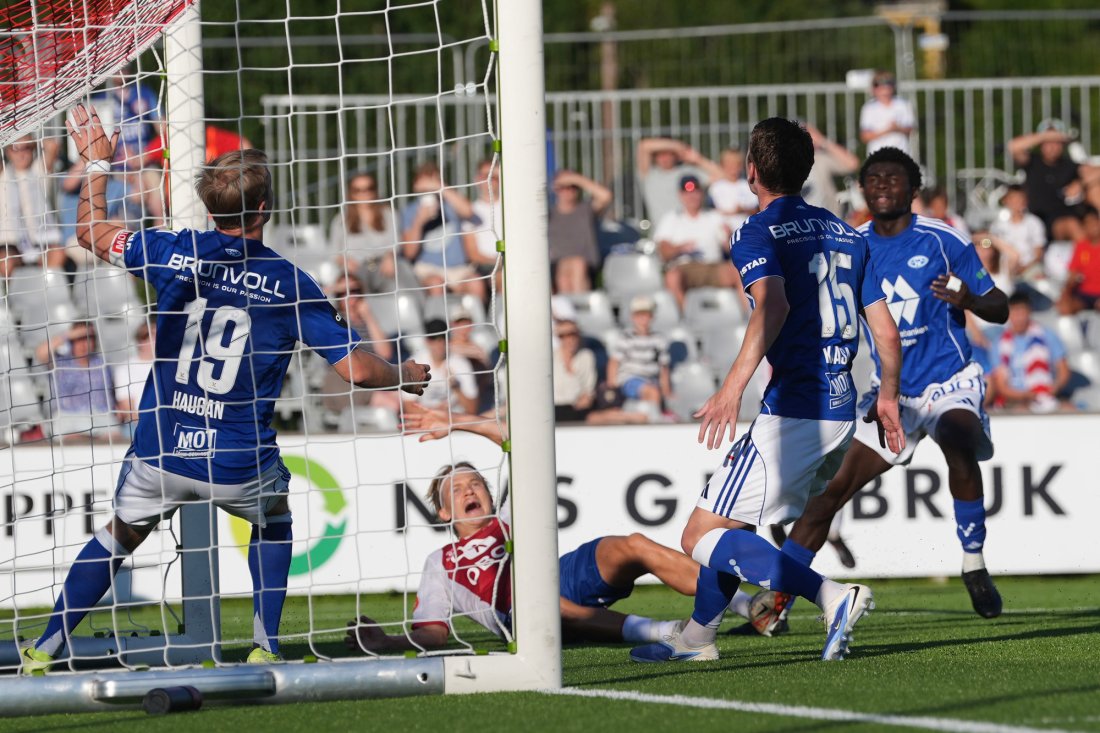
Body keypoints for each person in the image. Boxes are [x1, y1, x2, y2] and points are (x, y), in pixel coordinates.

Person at [20, 104, 431, 674]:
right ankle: (266, 640)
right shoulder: (289, 280)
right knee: (275, 518)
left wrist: (96, 165)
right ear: (264, 208)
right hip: (238, 461)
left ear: (210, 208)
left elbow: (89, 231)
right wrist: (405, 375)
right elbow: (357, 371)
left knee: (117, 535)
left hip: (162, 448)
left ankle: (45, 647)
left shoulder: (172, 250)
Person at [629, 118, 905, 664]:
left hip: (796, 407)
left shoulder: (756, 231)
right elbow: (886, 332)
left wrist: (731, 388)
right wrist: (889, 395)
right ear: (805, 172)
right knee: (731, 524)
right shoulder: (849, 234)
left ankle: (832, 595)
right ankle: (697, 638)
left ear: (752, 172)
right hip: (841, 405)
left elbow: (773, 305)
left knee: (698, 536)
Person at [777, 146, 1009, 624]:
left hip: (948, 382)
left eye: (893, 178)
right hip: (890, 393)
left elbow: (999, 306)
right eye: (874, 178)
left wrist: (968, 298)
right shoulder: (851, 244)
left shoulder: (944, 240)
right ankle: (773, 603)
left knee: (960, 439)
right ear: (862, 189)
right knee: (828, 495)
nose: (882, 185)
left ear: (914, 190)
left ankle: (973, 563)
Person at [345, 461, 700, 651]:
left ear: (489, 493)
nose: (469, 490)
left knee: (632, 543)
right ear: (443, 513)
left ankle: (745, 602)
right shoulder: (440, 562)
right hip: (518, 615)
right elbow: (433, 635)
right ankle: (670, 632)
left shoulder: (508, 519)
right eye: (456, 489)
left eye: (476, 484)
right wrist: (387, 642)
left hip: (559, 576)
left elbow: (530, 448)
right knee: (541, 602)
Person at [654, 174, 738, 308]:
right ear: (680, 195)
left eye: (695, 192)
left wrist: (730, 238)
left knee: (739, 272)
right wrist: (679, 248)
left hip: (712, 266)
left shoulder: (714, 217)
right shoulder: (671, 219)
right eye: (687, 193)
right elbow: (663, 252)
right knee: (672, 277)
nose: (692, 197)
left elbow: (730, 249)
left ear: (701, 194)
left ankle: (750, 319)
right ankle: (687, 320)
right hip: (685, 268)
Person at [400, 161, 481, 300]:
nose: (431, 186)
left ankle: (478, 321)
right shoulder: (410, 211)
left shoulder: (450, 204)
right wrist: (419, 222)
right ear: (416, 185)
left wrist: (440, 187)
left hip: (459, 269)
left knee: (476, 283)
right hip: (429, 270)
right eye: (426, 180)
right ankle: (439, 321)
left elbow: (468, 212)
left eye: (434, 179)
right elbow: (409, 252)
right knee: (436, 285)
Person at [329, 172, 414, 294]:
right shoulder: (340, 221)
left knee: (404, 287)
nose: (364, 194)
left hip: (385, 268)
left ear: (375, 190)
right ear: (351, 194)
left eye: (369, 188)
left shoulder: (389, 215)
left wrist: (389, 257)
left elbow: (396, 243)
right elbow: (334, 252)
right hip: (356, 270)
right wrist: (344, 261)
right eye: (358, 190)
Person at [1008, 119, 1091, 242]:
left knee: (1095, 191)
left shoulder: (1069, 165)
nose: (1052, 146)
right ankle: (1090, 258)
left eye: (1056, 142)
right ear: (1041, 144)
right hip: (1043, 220)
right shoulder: (1032, 162)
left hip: (1070, 213)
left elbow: (1094, 171)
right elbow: (1012, 146)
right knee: (1072, 225)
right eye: (1047, 142)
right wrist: (1046, 135)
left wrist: (1081, 183)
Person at [35, 321, 118, 440]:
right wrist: (69, 335)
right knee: (74, 444)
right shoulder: (60, 363)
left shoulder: (102, 363)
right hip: (69, 417)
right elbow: (40, 353)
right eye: (79, 338)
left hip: (102, 416)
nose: (84, 343)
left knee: (117, 440)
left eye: (88, 338)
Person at [991, 291, 1071, 412]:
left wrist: (1055, 387)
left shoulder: (1046, 335)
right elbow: (1001, 386)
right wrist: (1025, 395)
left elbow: (1063, 369)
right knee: (1021, 411)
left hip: (1046, 396)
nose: (1019, 318)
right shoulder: (999, 343)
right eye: (1015, 312)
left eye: (1022, 312)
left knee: (1069, 410)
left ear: (1029, 312)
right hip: (1015, 401)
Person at [0, 134, 65, 268]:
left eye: (27, 147)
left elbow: (52, 146)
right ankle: (13, 289)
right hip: (11, 244)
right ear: (7, 151)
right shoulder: (3, 174)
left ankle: (46, 287)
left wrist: (33, 134)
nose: (21, 153)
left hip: (41, 240)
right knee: (6, 262)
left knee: (58, 253)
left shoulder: (39, 170)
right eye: (15, 148)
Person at [548, 169, 611, 293]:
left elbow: (605, 196)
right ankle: (568, 307)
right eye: (563, 187)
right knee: (564, 275)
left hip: (586, 267)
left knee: (577, 264)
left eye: (573, 187)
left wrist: (577, 179)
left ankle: (575, 306)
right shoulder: (550, 213)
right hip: (557, 267)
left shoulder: (586, 210)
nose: (569, 191)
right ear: (556, 189)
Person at [606, 296, 671, 414]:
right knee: (652, 393)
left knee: (655, 392)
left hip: (651, 380)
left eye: (646, 314)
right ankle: (654, 423)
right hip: (630, 380)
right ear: (633, 317)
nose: (643, 318)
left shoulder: (659, 339)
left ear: (652, 316)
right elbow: (614, 362)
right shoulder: (626, 338)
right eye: (639, 315)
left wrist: (666, 390)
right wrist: (612, 386)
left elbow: (663, 367)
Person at [635, 137, 723, 224]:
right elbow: (644, 146)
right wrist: (678, 146)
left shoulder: (688, 172)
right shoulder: (649, 175)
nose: (664, 158)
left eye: (669, 154)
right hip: (662, 235)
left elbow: (722, 177)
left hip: (690, 230)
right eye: (660, 154)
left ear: (676, 156)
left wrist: (698, 160)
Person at [409, 318, 479, 415]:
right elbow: (408, 406)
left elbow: (472, 409)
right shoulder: (415, 364)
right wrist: (436, 413)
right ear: (427, 341)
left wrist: (456, 388)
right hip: (426, 419)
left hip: (455, 419)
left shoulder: (461, 363)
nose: (440, 344)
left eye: (443, 338)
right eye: (434, 339)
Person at [989, 185, 1046, 282]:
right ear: (1005, 201)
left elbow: (1039, 253)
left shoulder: (1034, 222)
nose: (1016, 202)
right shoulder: (996, 225)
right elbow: (990, 247)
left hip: (1029, 269)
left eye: (1020, 198)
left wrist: (1024, 268)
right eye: (1013, 198)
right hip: (1004, 269)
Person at [801, 123, 860, 217]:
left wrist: (822, 141)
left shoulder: (819, 159)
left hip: (829, 220)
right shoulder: (782, 164)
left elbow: (852, 164)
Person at [112, 320, 156, 437]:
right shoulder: (124, 368)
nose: (155, 339)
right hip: (137, 425)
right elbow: (129, 410)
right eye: (149, 335)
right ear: (140, 341)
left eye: (157, 335)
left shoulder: (169, 366)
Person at [859, 70, 916, 156]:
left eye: (887, 85)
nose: (884, 90)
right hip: (877, 155)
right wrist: (887, 130)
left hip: (901, 154)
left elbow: (911, 129)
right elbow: (865, 136)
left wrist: (897, 128)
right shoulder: (869, 108)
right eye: (879, 85)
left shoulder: (903, 104)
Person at [553, 316, 597, 422]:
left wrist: (587, 397)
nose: (570, 339)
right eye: (564, 335)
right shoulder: (550, 358)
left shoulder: (586, 356)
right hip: (554, 410)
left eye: (573, 334)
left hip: (578, 409)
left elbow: (589, 389)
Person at [1057, 206, 1100, 315]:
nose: (1093, 226)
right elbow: (1072, 274)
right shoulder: (1081, 246)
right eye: (1088, 223)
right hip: (1083, 294)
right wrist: (1065, 294)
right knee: (1064, 308)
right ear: (1084, 227)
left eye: (1095, 222)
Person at [708, 147, 758, 233]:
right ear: (723, 165)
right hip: (722, 231)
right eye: (729, 164)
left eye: (736, 164)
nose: (733, 168)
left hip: (746, 230)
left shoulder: (748, 185)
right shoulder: (715, 188)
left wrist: (742, 209)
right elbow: (710, 211)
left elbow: (757, 210)